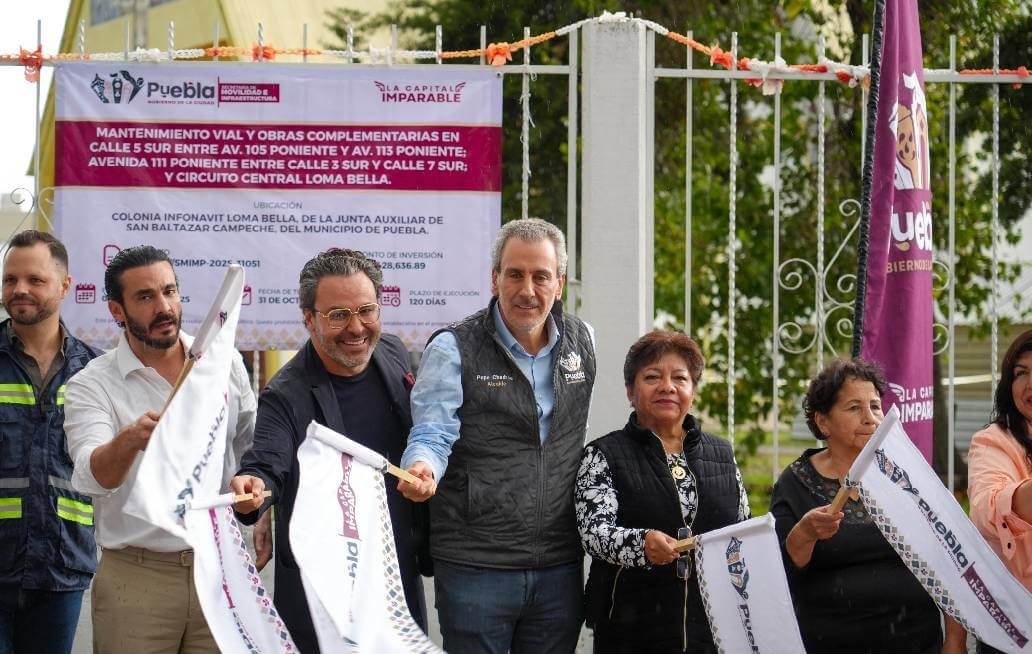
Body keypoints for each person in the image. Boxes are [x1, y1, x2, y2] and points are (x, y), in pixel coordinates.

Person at [399, 217, 595, 654]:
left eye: (541, 276)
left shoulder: (583, 343)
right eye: (515, 274)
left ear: (559, 283)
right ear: (495, 278)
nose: (528, 289)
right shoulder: (453, 347)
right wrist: (423, 467)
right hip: (476, 565)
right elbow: (433, 430)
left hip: (559, 565)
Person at [230, 248, 428, 653]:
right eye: (338, 314)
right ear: (308, 318)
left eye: (366, 310)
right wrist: (254, 492)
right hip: (323, 594)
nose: (356, 327)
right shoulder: (286, 394)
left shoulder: (391, 352)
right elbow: (266, 464)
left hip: (395, 580)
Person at [64, 246, 255, 653]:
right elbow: (89, 476)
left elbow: (249, 447)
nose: (164, 306)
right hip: (137, 574)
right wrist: (130, 440)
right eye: (146, 297)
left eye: (170, 291)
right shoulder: (92, 384)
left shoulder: (223, 363)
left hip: (218, 570)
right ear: (117, 310)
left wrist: (255, 498)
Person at [576, 330, 749, 653]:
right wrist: (641, 545)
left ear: (693, 390)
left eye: (680, 378)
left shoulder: (722, 454)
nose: (667, 387)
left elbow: (741, 528)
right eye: (652, 376)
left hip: (711, 627)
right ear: (630, 391)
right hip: (631, 627)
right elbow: (594, 533)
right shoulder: (604, 454)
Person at [769, 358, 955, 653]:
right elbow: (779, 570)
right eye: (854, 407)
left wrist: (955, 642)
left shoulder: (908, 477)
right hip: (830, 643)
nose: (870, 418)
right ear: (822, 421)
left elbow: (948, 561)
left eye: (875, 406)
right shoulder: (796, 483)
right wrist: (805, 533)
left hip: (917, 642)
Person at [0, 231, 101, 654]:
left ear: (64, 285)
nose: (19, 289)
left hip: (63, 567)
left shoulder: (95, 371)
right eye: (10, 280)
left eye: (34, 280)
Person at [967, 329, 1032, 654]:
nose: (1031, 384)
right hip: (1016, 626)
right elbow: (987, 510)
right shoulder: (993, 441)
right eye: (1021, 373)